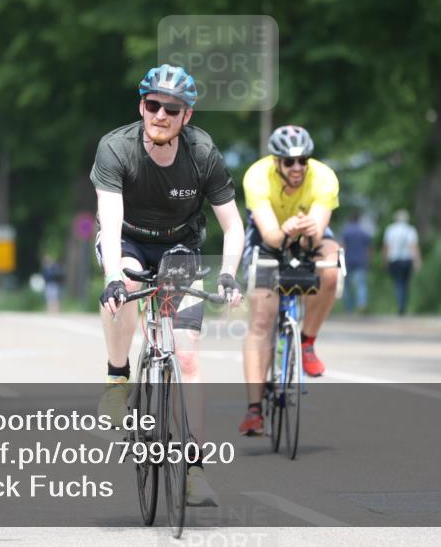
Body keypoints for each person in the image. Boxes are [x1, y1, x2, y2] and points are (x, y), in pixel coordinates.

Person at [91, 63, 244, 506]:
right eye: (153, 105)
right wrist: (113, 277)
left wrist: (230, 273)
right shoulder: (115, 149)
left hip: (181, 247)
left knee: (189, 356)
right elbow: (110, 217)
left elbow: (233, 226)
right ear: (142, 106)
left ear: (186, 117)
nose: (160, 115)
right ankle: (118, 379)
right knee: (120, 288)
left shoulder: (203, 155)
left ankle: (193, 468)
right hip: (130, 240)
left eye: (171, 109)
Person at [238, 125, 340, 436]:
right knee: (262, 319)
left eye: (303, 161)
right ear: (276, 162)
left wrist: (308, 230)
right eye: (289, 162)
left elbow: (318, 236)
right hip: (268, 238)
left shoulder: (324, 178)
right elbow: (270, 235)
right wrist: (288, 229)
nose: (297, 168)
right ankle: (255, 409)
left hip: (306, 234)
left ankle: (307, 342)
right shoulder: (257, 177)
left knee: (331, 266)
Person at [383, 209, 421, 316]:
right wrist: (417, 260)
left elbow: (386, 247)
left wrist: (385, 261)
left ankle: (400, 305)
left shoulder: (390, 230)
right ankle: (402, 305)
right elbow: (413, 247)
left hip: (394, 259)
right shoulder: (410, 230)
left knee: (398, 283)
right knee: (405, 283)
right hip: (407, 259)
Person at [339, 212, 372, 313]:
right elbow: (368, 249)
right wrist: (368, 260)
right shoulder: (364, 232)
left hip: (348, 261)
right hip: (361, 261)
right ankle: (362, 304)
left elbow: (342, 246)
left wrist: (340, 260)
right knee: (361, 284)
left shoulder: (346, 231)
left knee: (347, 285)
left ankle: (349, 308)